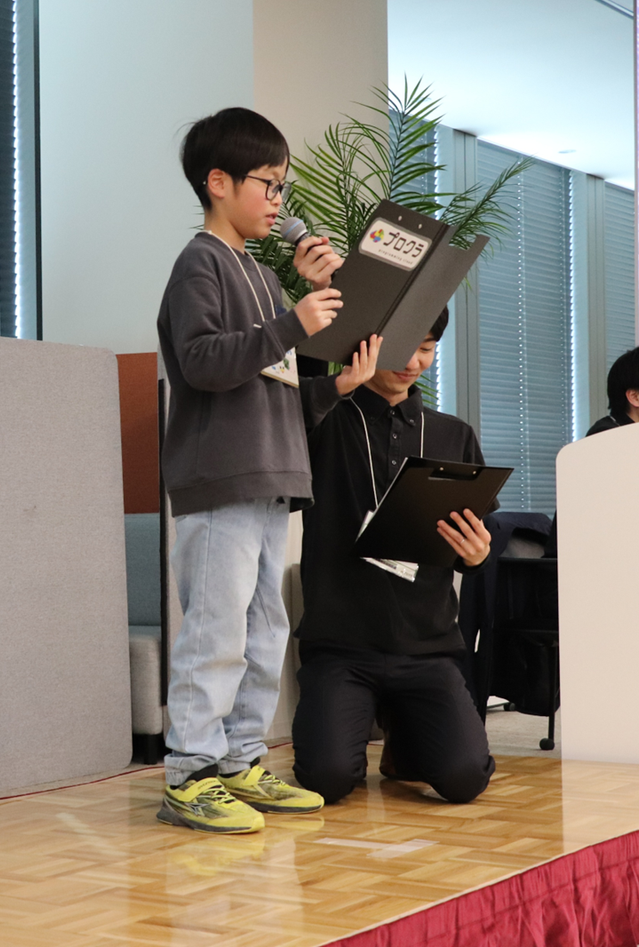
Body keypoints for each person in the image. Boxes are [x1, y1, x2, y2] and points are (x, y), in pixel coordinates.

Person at [156, 106, 380, 834]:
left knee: (262, 633)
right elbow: (202, 363)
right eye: (268, 183)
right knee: (215, 632)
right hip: (222, 477)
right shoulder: (200, 263)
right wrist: (293, 322)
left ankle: (240, 762)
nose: (279, 200)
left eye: (283, 186)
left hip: (270, 477)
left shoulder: (260, 275)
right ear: (218, 182)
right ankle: (189, 774)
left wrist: (337, 385)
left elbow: (275, 391)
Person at [291, 307, 497, 806]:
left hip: (427, 647)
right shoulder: (320, 422)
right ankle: (375, 724)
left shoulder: (453, 435)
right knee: (326, 779)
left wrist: (476, 555)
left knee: (465, 779)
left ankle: (405, 737)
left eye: (426, 348)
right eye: (404, 346)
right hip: (340, 645)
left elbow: (471, 540)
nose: (413, 362)